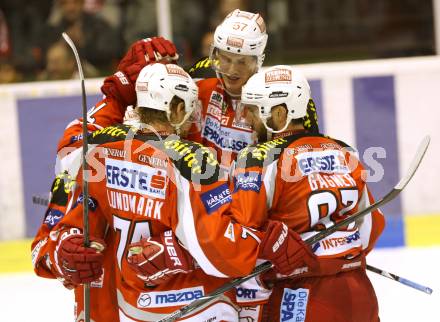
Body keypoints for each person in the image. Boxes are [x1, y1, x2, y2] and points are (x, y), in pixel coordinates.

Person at [35, 62, 320, 322]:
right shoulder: (192, 159)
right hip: (198, 304)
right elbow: (218, 249)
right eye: (190, 108)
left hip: (134, 307)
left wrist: (64, 247)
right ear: (176, 108)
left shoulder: (97, 150)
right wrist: (263, 241)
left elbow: (76, 196)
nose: (194, 118)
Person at [133, 65, 386, 322]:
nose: (248, 120)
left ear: (279, 113)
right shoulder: (344, 151)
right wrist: (337, 259)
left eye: (253, 111)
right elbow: (372, 227)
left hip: (299, 297)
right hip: (360, 293)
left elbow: (239, 236)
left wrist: (177, 251)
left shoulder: (259, 158)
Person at [31, 37, 179, 322]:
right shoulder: (92, 160)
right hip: (105, 308)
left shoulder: (192, 151)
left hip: (174, 306)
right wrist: (64, 255)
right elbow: (43, 250)